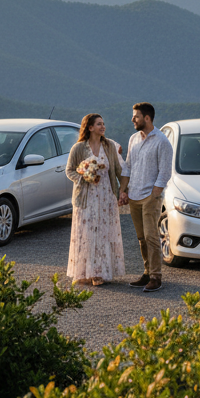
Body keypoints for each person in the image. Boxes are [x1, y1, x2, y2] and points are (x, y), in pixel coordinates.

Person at [64, 114, 127, 286]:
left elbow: (117, 169)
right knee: (87, 233)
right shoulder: (78, 148)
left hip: (106, 196)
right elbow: (69, 171)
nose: (103, 126)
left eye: (103, 124)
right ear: (90, 127)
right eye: (99, 124)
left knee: (104, 233)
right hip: (86, 197)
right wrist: (84, 176)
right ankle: (85, 271)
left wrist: (123, 191)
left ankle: (99, 272)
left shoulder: (109, 146)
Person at [119, 102, 173, 293]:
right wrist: (123, 190)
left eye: (136, 116)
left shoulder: (162, 141)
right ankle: (147, 272)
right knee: (142, 238)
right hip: (134, 196)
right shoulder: (133, 138)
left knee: (151, 238)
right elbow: (128, 166)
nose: (132, 119)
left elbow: (165, 173)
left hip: (151, 197)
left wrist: (154, 195)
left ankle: (156, 278)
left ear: (147, 118)